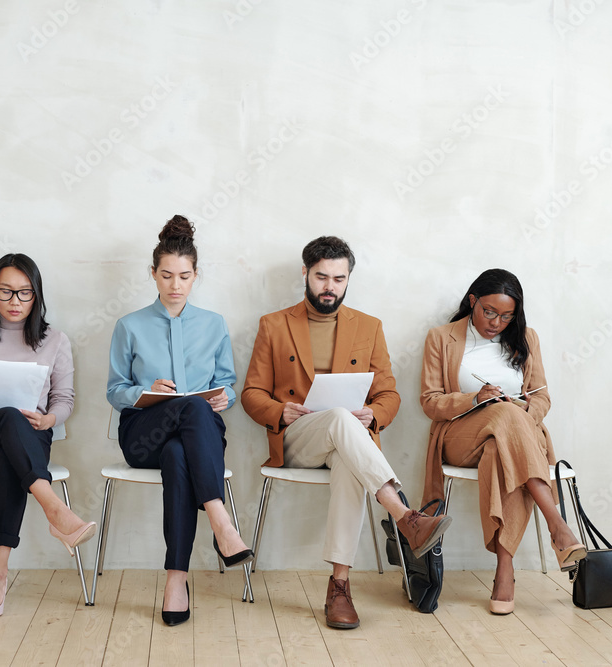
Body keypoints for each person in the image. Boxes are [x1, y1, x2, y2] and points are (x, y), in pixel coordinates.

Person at [242, 235, 451, 630]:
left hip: (347, 442)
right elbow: (251, 393)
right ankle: (405, 516)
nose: (329, 287)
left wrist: (372, 413)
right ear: (305, 273)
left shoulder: (369, 327)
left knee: (348, 458)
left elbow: (389, 394)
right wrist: (278, 411)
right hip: (297, 439)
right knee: (339, 418)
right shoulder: (274, 325)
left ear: (348, 278)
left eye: (339, 278)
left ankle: (340, 587)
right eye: (321, 277)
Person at [106, 215, 253, 627]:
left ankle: (175, 580)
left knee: (179, 452)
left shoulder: (214, 324)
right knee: (191, 410)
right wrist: (143, 390)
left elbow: (227, 383)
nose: (174, 285)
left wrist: (225, 395)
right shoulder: (129, 326)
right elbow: (115, 391)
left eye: (184, 276)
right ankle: (221, 521)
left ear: (195, 276)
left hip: (195, 441)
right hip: (141, 435)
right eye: (166, 275)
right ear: (152, 274)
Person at [420, 268, 585, 615]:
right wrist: (475, 399)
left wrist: (521, 406)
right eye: (489, 312)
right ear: (473, 302)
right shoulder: (441, 337)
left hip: (509, 439)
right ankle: (557, 526)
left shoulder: (527, 338)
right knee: (504, 419)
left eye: (507, 316)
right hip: (460, 436)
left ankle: (504, 571)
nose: (496, 323)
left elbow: (541, 399)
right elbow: (430, 401)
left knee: (501, 445)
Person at [0, 253, 95, 620]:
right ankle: (55, 509)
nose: (15, 302)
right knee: (7, 418)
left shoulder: (55, 341)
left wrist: (49, 420)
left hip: (29, 440)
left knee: (9, 455)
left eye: (25, 293)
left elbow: (64, 399)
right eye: (6, 292)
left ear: (37, 295)